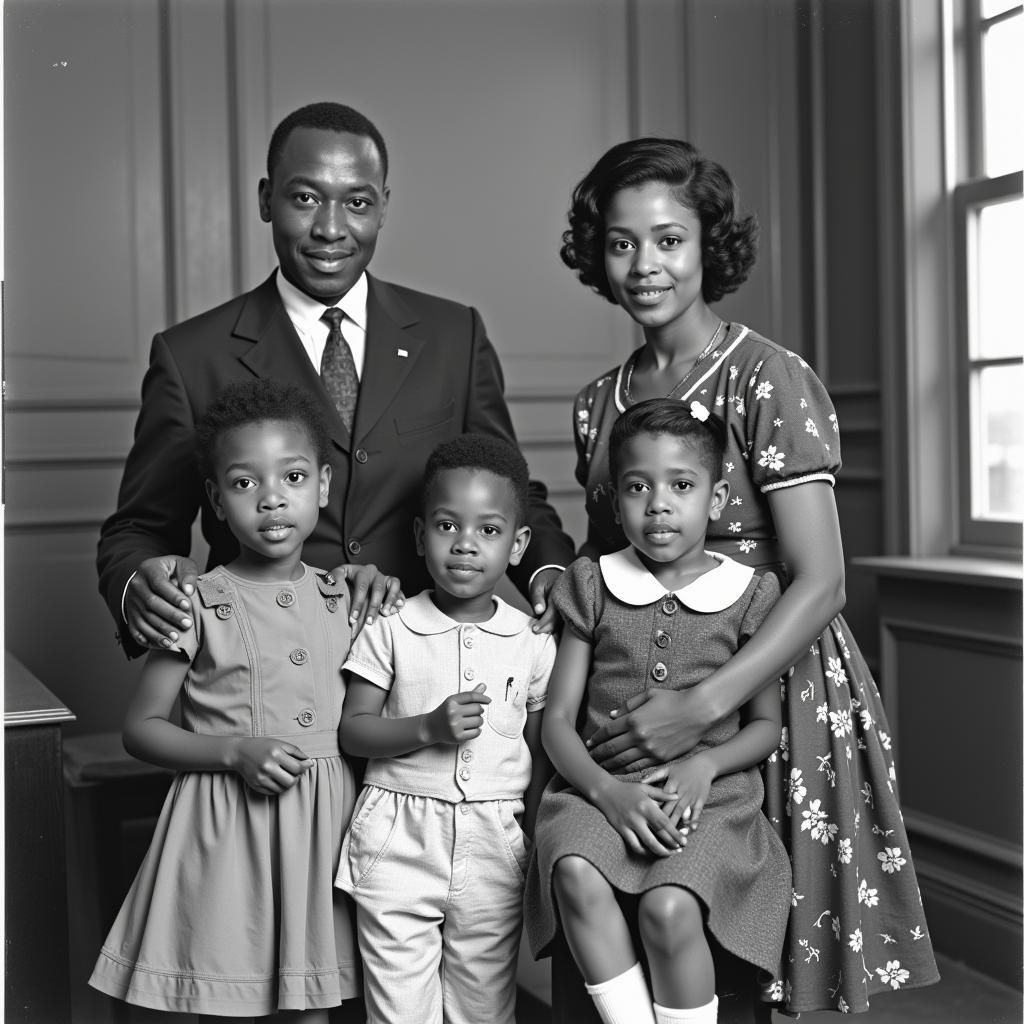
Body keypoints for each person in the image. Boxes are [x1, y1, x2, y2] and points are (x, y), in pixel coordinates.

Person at [553, 137, 939, 1016]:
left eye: (668, 240)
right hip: (637, 690)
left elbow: (823, 581)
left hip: (766, 683)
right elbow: (604, 572)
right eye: (622, 243)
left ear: (707, 248)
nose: (644, 265)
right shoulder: (596, 403)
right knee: (610, 887)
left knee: (738, 938)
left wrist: (702, 707)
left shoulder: (769, 378)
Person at [97, 101, 575, 659]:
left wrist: (552, 572)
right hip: (265, 664)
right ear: (265, 199)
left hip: (425, 667)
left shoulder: (454, 334)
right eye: (304, 198)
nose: (330, 229)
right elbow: (140, 527)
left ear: (383, 208)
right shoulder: (190, 355)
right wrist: (137, 585)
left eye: (356, 203)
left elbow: (509, 485)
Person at [90, 379, 362, 1018]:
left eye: (293, 478)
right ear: (215, 500)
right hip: (227, 824)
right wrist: (233, 751)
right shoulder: (199, 603)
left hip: (330, 823)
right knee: (226, 993)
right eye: (245, 484)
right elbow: (142, 727)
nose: (272, 499)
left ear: (323, 486)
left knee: (313, 1002)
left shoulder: (348, 598)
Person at [526, 399, 790, 1024]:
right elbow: (558, 721)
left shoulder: (751, 593)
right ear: (615, 503)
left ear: (716, 497)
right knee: (572, 871)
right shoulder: (591, 583)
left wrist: (706, 768)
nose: (659, 504)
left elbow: (765, 727)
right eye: (638, 487)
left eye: (681, 485)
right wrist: (606, 792)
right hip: (595, 793)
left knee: (667, 909)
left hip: (713, 802)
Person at [335, 434, 556, 1024]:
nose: (465, 544)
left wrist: (533, 843)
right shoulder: (391, 624)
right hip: (398, 840)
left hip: (495, 844)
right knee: (401, 1012)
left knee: (484, 1009)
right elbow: (354, 731)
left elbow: (537, 753)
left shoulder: (532, 640)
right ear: (418, 535)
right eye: (446, 525)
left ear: (518, 545)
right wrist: (428, 728)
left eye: (488, 530)